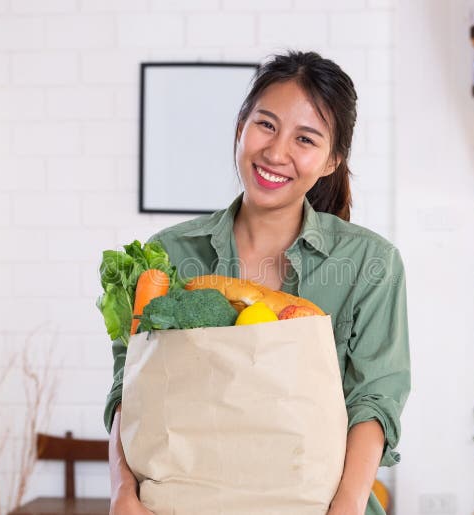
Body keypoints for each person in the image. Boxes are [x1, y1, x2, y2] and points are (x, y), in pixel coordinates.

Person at [105, 50, 410, 515]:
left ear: (331, 160)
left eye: (305, 139)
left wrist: (346, 506)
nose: (276, 152)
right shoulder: (170, 255)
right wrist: (122, 493)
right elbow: (130, 389)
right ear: (241, 127)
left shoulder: (369, 263)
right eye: (266, 125)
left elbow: (376, 400)